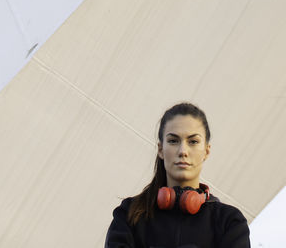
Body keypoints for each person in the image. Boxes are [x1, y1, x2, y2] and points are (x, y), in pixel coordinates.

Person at [105, 102, 251, 247]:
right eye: (173, 141)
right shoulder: (128, 214)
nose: (183, 151)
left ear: (206, 150)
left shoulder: (230, 221)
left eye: (193, 141)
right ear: (161, 149)